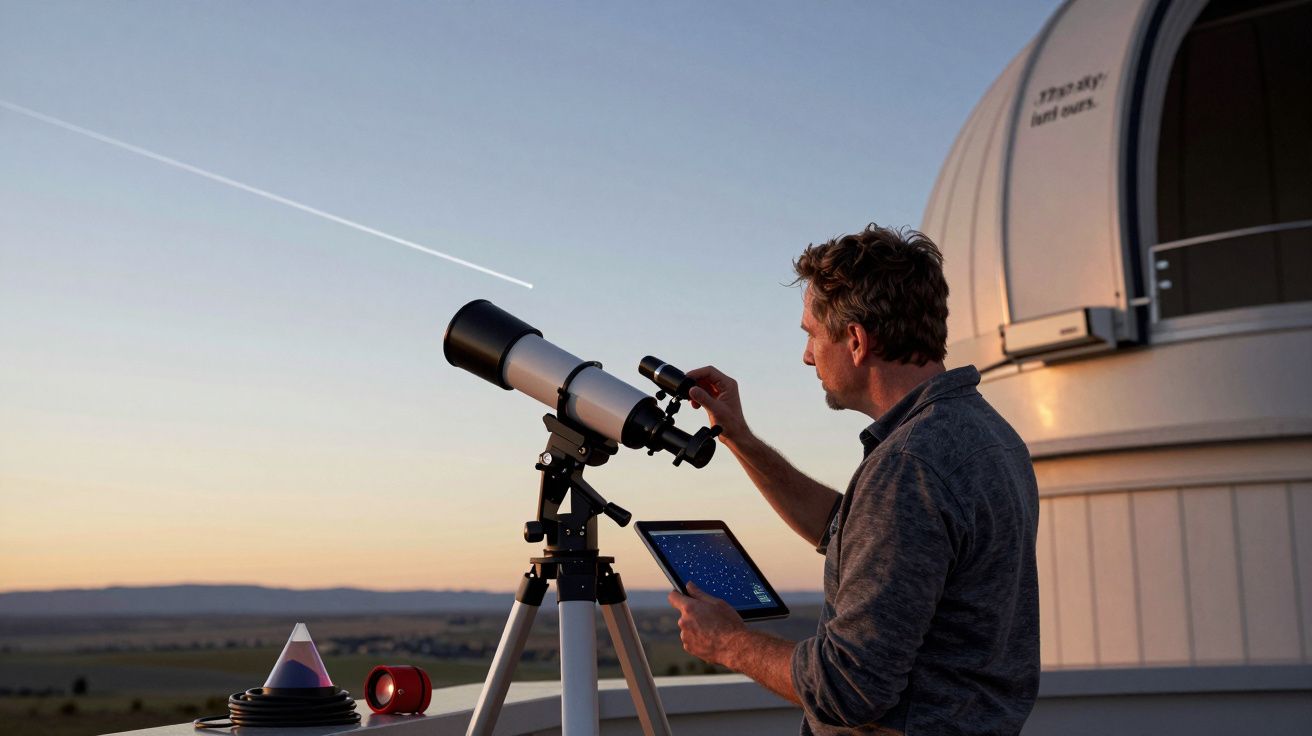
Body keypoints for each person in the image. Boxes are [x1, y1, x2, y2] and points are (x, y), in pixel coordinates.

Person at [667, 224, 1039, 735]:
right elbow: (848, 529)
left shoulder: (909, 465)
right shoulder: (985, 433)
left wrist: (729, 644)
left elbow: (849, 687)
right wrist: (740, 439)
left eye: (811, 335)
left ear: (857, 341)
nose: (806, 355)